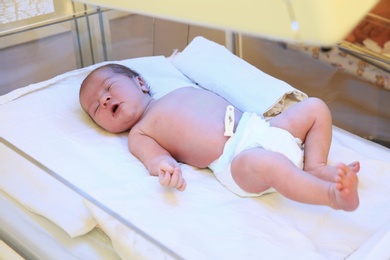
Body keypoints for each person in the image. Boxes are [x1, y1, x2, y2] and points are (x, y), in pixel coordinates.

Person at [79, 63, 360, 211]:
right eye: (95, 108)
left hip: (262, 129)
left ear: (139, 82)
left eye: (109, 88)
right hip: (236, 161)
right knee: (269, 164)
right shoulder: (139, 133)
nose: (104, 100)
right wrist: (165, 169)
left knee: (315, 107)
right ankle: (330, 196)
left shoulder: (177, 91)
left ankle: (315, 166)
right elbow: (155, 159)